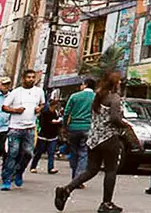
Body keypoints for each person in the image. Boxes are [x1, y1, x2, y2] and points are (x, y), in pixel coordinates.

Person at [54, 71, 129, 213]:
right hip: (108, 138)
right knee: (111, 170)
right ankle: (106, 204)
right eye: (119, 82)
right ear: (116, 84)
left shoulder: (98, 96)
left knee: (91, 169)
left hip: (94, 138)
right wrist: (125, 124)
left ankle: (66, 189)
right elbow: (114, 118)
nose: (120, 84)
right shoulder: (114, 98)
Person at [1, 69, 44, 190]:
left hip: (30, 128)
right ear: (23, 78)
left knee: (29, 153)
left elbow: (42, 104)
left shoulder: (39, 91)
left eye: (33, 77)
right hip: (15, 128)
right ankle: (7, 179)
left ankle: (19, 172)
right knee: (12, 153)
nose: (31, 79)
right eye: (28, 77)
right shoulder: (16, 92)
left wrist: (39, 109)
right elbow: (4, 107)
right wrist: (15, 110)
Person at [63, 78, 96, 179]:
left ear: (85, 85)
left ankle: (74, 174)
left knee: (73, 152)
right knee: (84, 153)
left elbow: (66, 113)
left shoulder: (74, 96)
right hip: (88, 127)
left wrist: (65, 126)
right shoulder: (96, 97)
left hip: (73, 128)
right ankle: (78, 178)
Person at [29, 96, 61, 174]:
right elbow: (42, 123)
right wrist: (52, 122)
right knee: (39, 152)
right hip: (43, 135)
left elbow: (59, 122)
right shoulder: (44, 113)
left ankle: (51, 168)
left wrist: (58, 122)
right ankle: (33, 166)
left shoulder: (56, 113)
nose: (55, 108)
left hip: (53, 135)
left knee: (51, 152)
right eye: (54, 106)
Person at [0, 76, 10, 172]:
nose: (5, 86)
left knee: (5, 151)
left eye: (7, 84)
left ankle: (5, 172)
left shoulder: (11, 97)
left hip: (6, 128)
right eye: (3, 84)